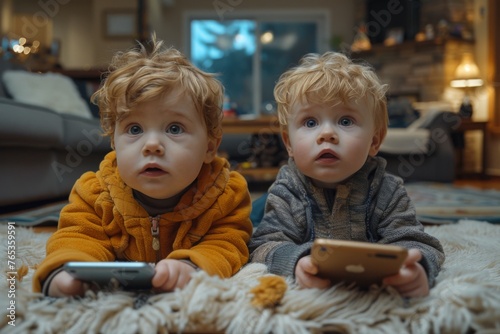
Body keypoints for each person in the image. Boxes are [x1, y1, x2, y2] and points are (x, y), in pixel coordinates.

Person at [33, 36, 253, 297]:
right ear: (114, 141)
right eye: (134, 129)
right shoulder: (95, 192)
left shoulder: (225, 193)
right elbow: (77, 237)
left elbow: (228, 242)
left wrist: (191, 266)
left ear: (209, 147)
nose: (152, 145)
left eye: (174, 128)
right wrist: (66, 271)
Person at [249, 52, 445, 298]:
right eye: (310, 123)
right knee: (252, 217)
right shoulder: (287, 190)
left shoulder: (387, 189)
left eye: (345, 121)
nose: (327, 134)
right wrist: (297, 261)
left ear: (374, 141)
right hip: (264, 209)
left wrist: (416, 267)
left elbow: (417, 243)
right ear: (288, 143)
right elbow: (264, 247)